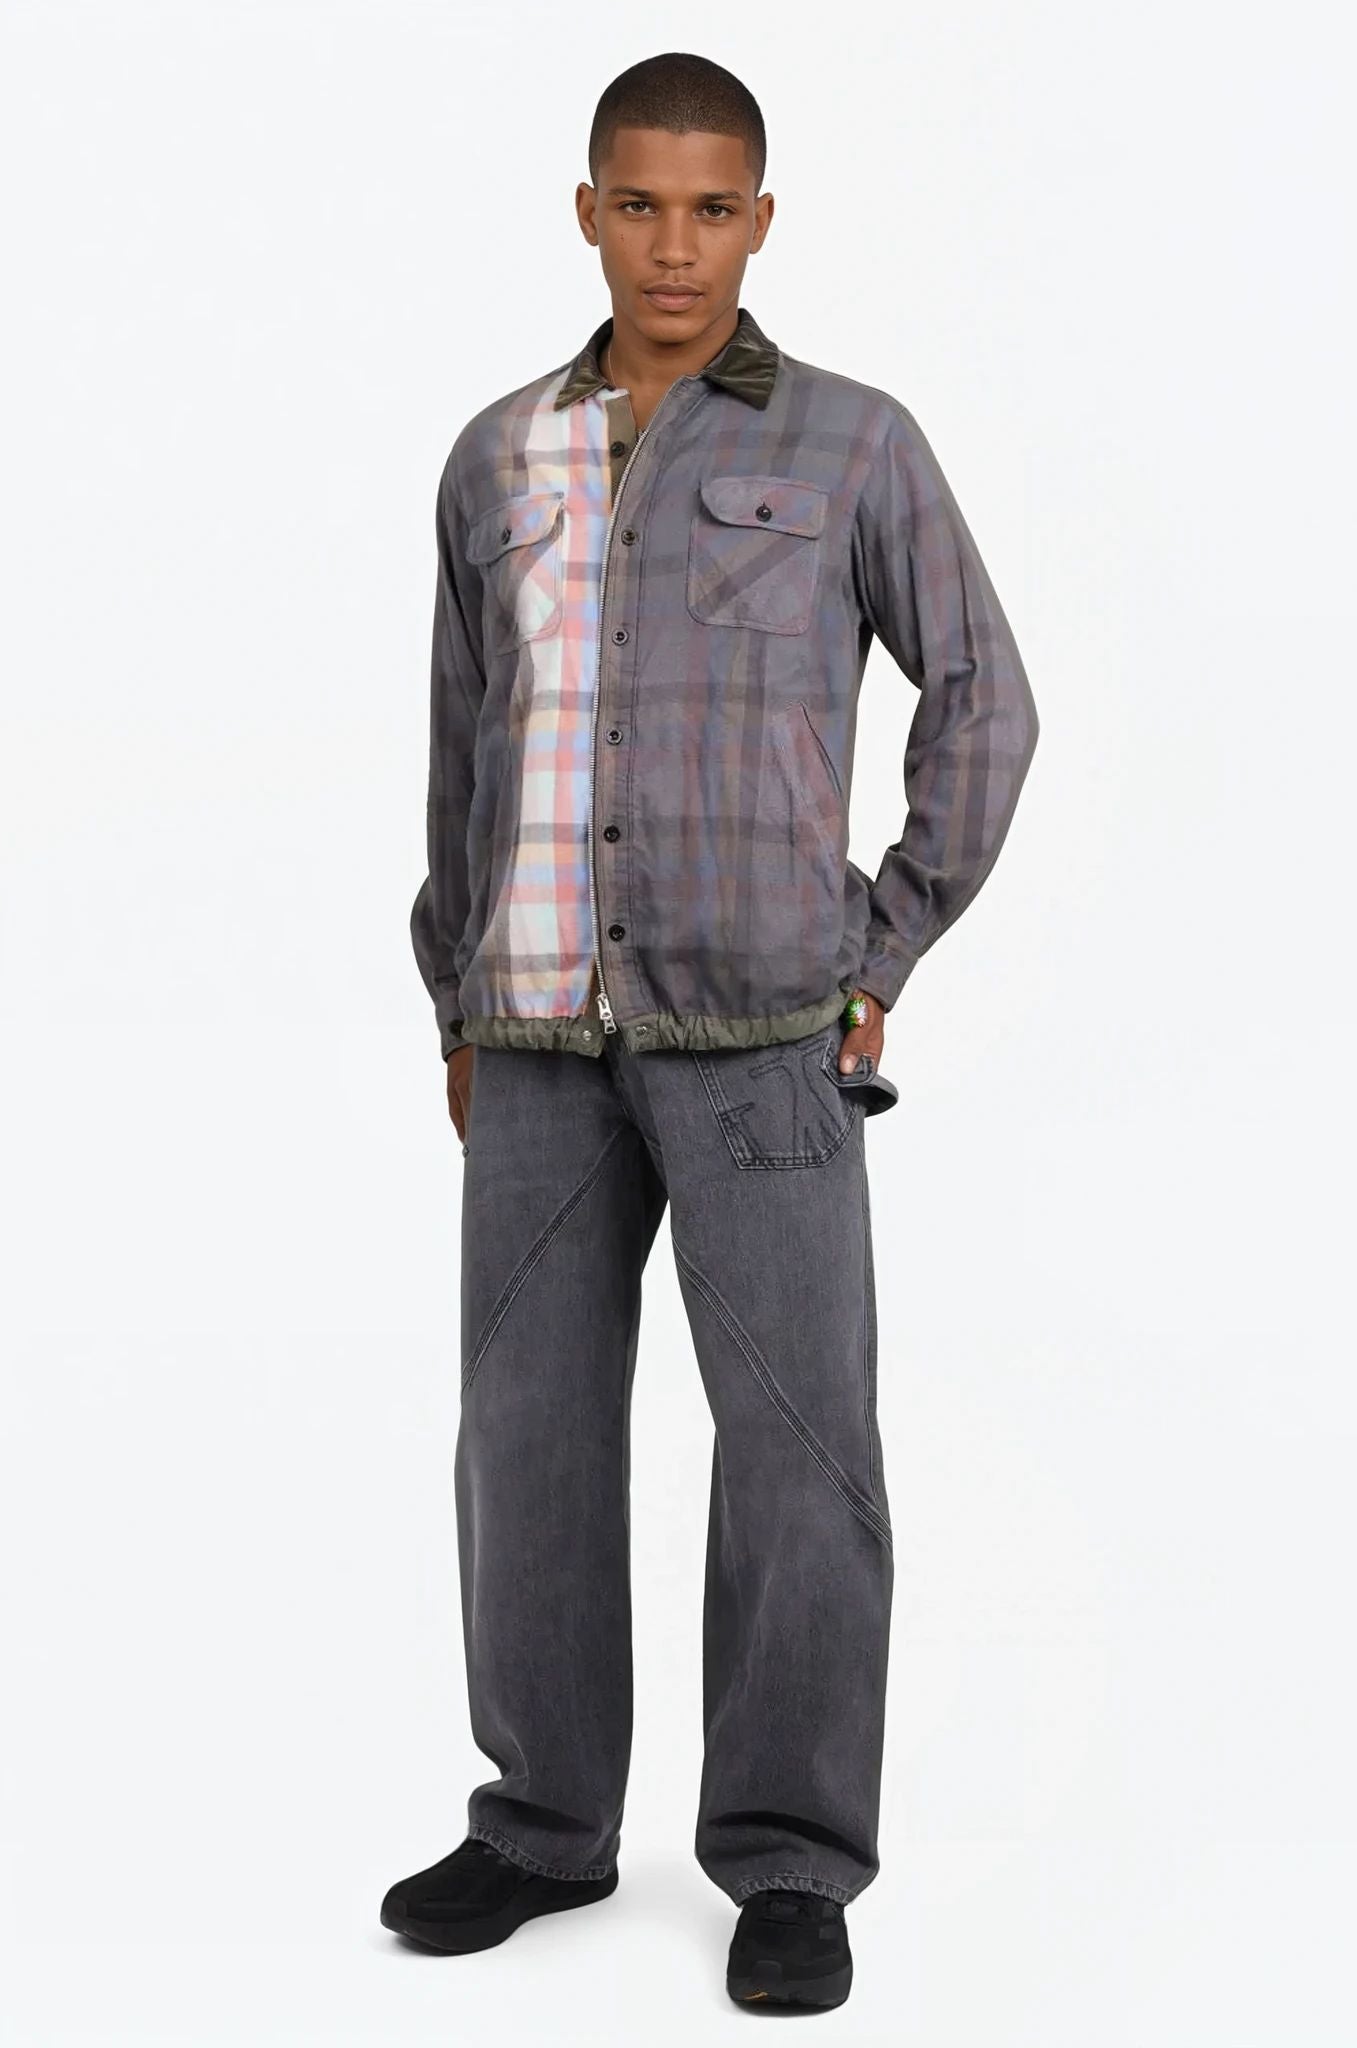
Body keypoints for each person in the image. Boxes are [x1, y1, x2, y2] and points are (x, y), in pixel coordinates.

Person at [381, 50, 1038, 2013]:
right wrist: (455, 988)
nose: (675, 244)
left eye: (712, 206)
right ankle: (541, 1826)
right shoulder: (495, 457)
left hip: (764, 1036)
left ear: (759, 220)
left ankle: (788, 1860)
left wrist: (879, 946)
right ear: (587, 211)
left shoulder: (852, 444)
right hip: (535, 1037)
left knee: (799, 1456)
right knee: (523, 1444)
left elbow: (983, 701)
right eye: (640, 203)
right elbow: (461, 745)